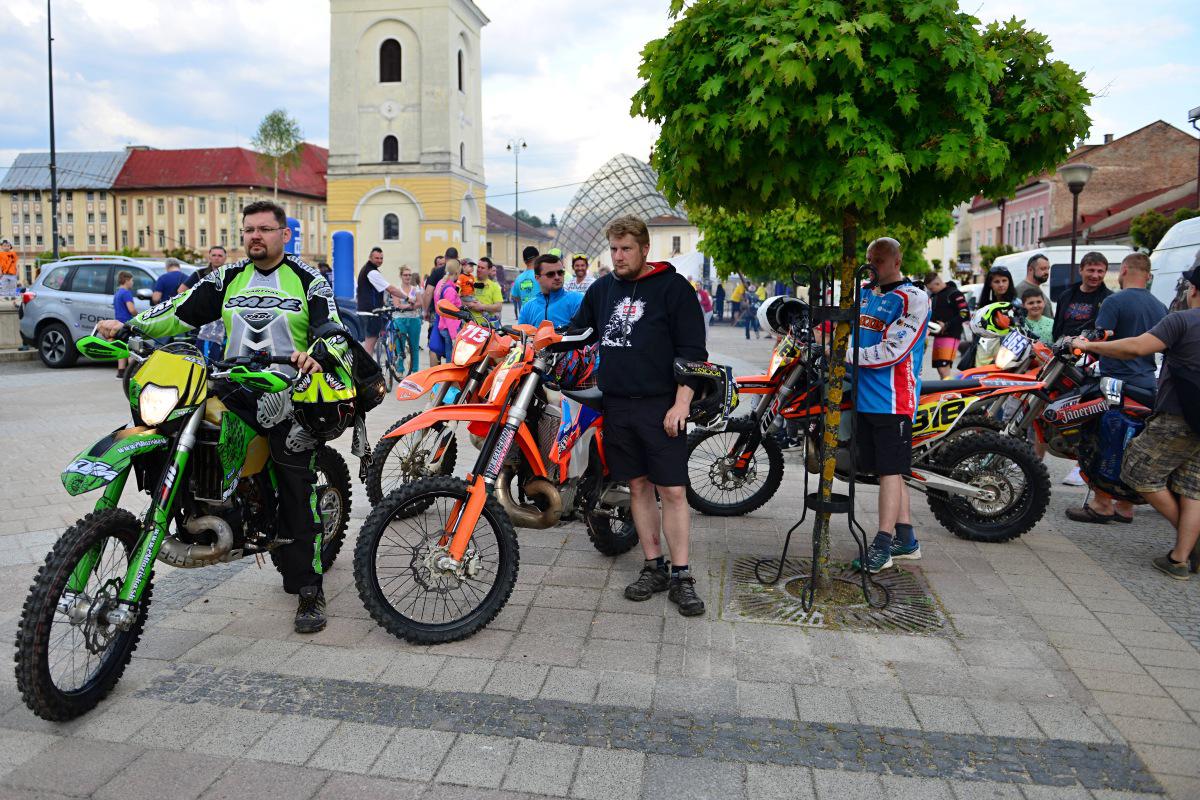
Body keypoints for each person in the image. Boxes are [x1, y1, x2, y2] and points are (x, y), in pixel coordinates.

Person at [96, 200, 349, 633]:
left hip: (286, 392)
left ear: (283, 235)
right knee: (173, 427)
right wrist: (132, 325)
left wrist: (319, 354)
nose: (255, 236)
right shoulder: (228, 276)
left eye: (265, 229)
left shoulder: (309, 279)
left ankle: (309, 588)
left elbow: (333, 330)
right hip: (230, 384)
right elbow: (179, 310)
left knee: (295, 480)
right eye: (249, 229)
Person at [568, 215, 708, 615]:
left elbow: (693, 353)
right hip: (617, 405)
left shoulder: (673, 288)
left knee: (674, 491)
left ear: (645, 249)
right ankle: (654, 566)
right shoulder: (601, 289)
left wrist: (681, 404)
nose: (618, 256)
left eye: (626, 249)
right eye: (613, 249)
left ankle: (682, 575)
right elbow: (576, 333)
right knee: (639, 488)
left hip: (661, 405)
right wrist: (532, 337)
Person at [1071, 260, 1200, 580]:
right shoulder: (1165, 311)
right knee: (1191, 489)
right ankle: (1179, 558)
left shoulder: (1182, 321)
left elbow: (1135, 348)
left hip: (1177, 417)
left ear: (1194, 290)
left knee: (1137, 470)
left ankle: (1193, 545)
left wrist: (1089, 345)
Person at [1066, 253, 1167, 525]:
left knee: (1102, 439)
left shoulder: (1114, 301)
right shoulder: (1160, 306)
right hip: (1147, 384)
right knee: (1132, 445)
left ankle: (1101, 504)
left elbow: (1100, 339)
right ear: (1147, 274)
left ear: (1123, 270)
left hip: (1114, 383)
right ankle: (1125, 506)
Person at [853, 237, 930, 574]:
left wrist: (840, 356)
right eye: (870, 258)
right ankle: (906, 539)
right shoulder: (866, 292)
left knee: (889, 472)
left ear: (897, 261)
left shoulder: (913, 298)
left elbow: (892, 351)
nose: (873, 265)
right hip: (863, 397)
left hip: (893, 400)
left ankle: (883, 545)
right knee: (890, 471)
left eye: (880, 260)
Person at [1054, 252, 1114, 485]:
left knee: (1083, 413)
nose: (1095, 275)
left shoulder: (1108, 298)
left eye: (1100, 271)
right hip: (1063, 359)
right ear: (1081, 270)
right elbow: (1059, 327)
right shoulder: (1067, 294)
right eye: (1091, 270)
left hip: (1092, 364)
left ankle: (1080, 466)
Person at [181, 245, 229, 361]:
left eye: (220, 255)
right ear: (209, 257)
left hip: (226, 319)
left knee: (225, 353)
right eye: (214, 255)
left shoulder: (230, 273)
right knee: (203, 357)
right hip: (202, 321)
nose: (217, 258)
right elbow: (181, 291)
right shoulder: (199, 274)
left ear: (225, 258)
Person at [357, 247, 408, 356]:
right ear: (370, 258)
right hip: (371, 312)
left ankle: (366, 370)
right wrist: (407, 298)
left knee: (369, 344)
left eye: (381, 258)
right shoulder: (371, 272)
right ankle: (367, 371)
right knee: (369, 346)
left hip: (365, 311)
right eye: (376, 258)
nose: (379, 260)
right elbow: (391, 289)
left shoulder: (367, 269)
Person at [517, 254, 583, 327]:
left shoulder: (577, 300)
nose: (557, 277)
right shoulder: (527, 308)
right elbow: (521, 336)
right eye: (550, 274)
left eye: (560, 272)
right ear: (537, 278)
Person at [925, 272, 969, 379]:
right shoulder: (935, 295)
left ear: (938, 283)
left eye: (931, 288)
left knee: (944, 369)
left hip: (951, 335)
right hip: (938, 335)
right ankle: (945, 393)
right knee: (941, 369)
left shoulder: (955, 294)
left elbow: (965, 313)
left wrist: (947, 324)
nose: (930, 291)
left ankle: (950, 394)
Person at [974, 266, 1017, 367]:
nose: (1001, 285)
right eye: (997, 281)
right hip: (986, 349)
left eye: (1004, 280)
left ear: (1009, 282)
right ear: (990, 284)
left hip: (1009, 350)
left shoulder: (1016, 304)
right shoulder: (984, 306)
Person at [391, 265, 424, 374]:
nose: (408, 277)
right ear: (401, 276)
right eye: (405, 275)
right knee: (400, 346)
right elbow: (397, 304)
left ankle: (414, 370)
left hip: (414, 319)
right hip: (400, 319)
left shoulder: (415, 289)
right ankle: (400, 370)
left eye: (409, 275)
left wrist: (407, 306)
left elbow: (420, 303)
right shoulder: (397, 289)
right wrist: (410, 305)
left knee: (414, 346)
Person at [429, 259, 464, 361]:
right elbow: (449, 315)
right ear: (457, 272)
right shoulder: (450, 290)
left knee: (448, 355)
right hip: (450, 328)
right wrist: (454, 336)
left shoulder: (441, 283)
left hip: (443, 325)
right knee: (451, 358)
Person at [466, 257, 504, 326]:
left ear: (489, 270)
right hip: (469, 326)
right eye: (478, 267)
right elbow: (458, 299)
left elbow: (499, 307)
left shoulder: (494, 286)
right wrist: (469, 304)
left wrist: (482, 306)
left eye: (482, 268)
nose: (479, 270)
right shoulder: (468, 281)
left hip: (487, 328)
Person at [112, 271, 136, 378]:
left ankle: (121, 372)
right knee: (131, 348)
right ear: (126, 280)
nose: (132, 283)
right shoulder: (126, 293)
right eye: (132, 280)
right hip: (127, 324)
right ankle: (131, 372)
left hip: (118, 324)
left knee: (122, 348)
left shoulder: (117, 293)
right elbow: (131, 309)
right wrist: (138, 316)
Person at [1015, 253, 1054, 318]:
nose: (1047, 272)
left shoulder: (1036, 287)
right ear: (1030, 269)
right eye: (1043, 269)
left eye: (1048, 269)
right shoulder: (1021, 289)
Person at [510, 246, 540, 318]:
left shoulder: (519, 278)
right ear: (537, 258)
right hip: (539, 315)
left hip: (524, 316)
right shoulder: (541, 275)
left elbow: (514, 297)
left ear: (524, 261)